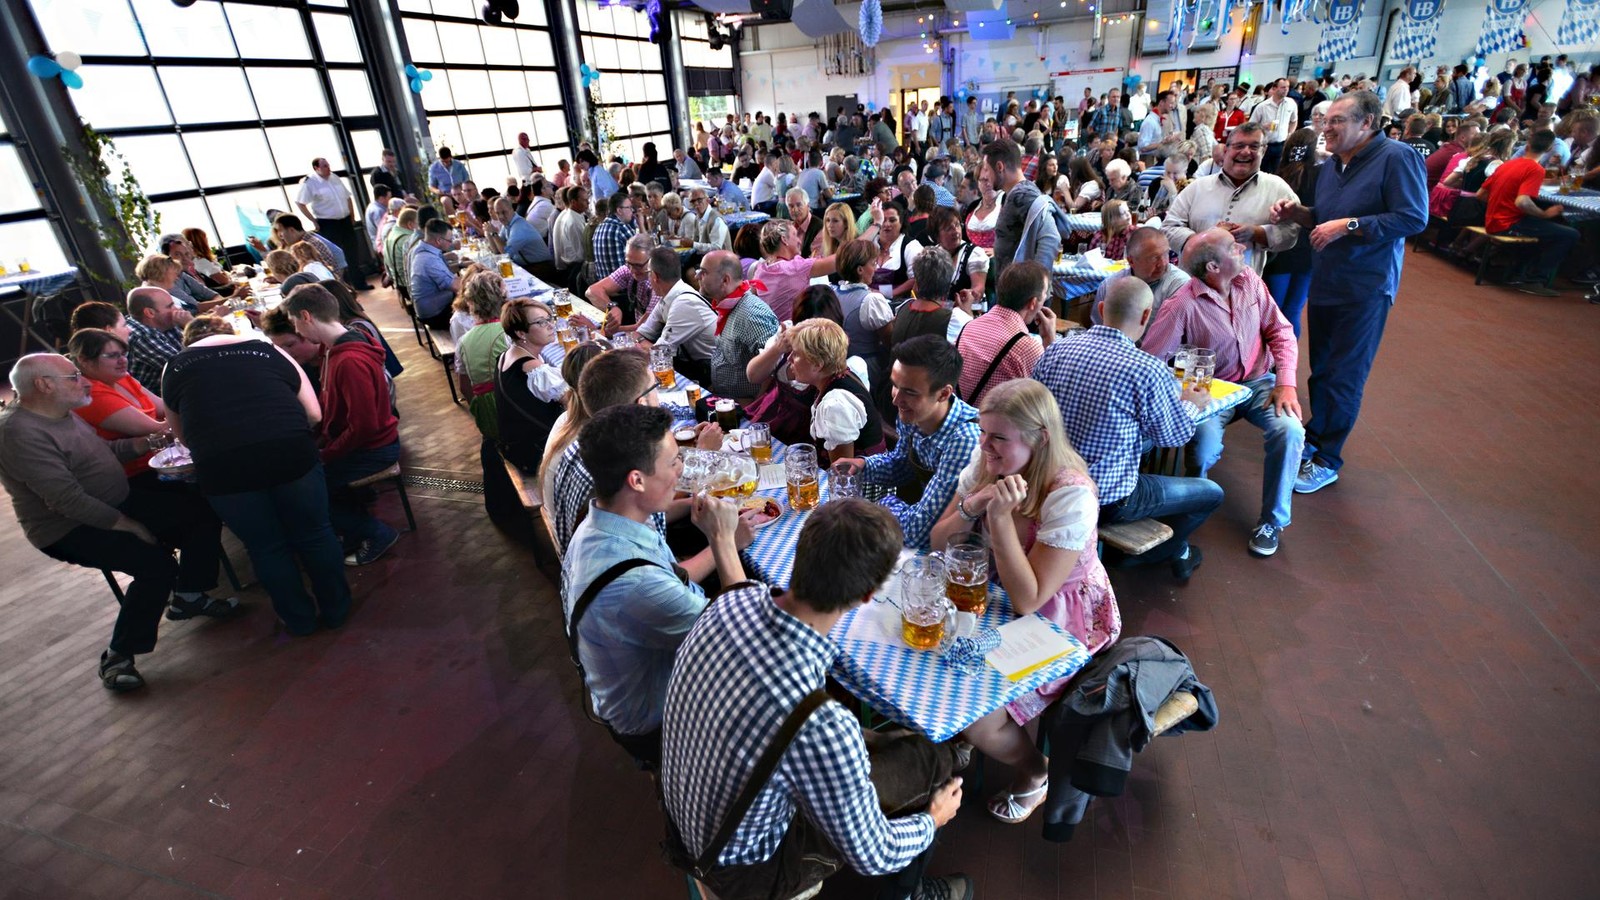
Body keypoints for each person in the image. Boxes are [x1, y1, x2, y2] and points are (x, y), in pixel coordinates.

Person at [660, 498, 970, 900]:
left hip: (682, 820)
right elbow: (873, 853)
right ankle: (909, 892)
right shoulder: (821, 725)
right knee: (932, 761)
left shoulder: (730, 602)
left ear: (800, 555)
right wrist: (933, 818)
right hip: (742, 868)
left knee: (877, 748)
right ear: (866, 597)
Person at [927, 379, 1121, 825]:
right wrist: (975, 504)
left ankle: (1035, 770)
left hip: (1063, 616)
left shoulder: (1071, 494)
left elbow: (1030, 598)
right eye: (982, 433)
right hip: (990, 594)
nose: (985, 447)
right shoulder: (987, 461)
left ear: (1040, 438)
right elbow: (938, 541)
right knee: (928, 660)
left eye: (998, 438)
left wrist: (998, 518)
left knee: (977, 716)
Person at [0, 353, 240, 692]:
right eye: (74, 377)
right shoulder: (19, 433)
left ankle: (189, 594)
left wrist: (147, 442)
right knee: (154, 566)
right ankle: (118, 656)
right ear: (43, 385)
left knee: (201, 512)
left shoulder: (61, 412)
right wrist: (126, 524)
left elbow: (102, 454)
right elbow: (65, 500)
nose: (84, 382)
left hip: (114, 502)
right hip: (67, 528)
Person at [561, 405, 748, 767]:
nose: (682, 471)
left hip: (638, 678)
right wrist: (722, 541)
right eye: (675, 462)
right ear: (637, 480)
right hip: (658, 727)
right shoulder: (636, 585)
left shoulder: (603, 522)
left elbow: (670, 574)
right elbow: (741, 645)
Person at [1268, 90, 1428, 494]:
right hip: (1327, 281)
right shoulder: (1331, 167)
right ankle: (1317, 434)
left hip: (1365, 287)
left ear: (1367, 123)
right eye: (1325, 120)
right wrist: (1298, 214)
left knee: (1345, 374)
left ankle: (1327, 457)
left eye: (1337, 120)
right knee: (1322, 369)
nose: (1327, 127)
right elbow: (1323, 218)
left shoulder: (1397, 158)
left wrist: (1350, 226)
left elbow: (1413, 217)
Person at [160, 317, 351, 636]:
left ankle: (298, 620)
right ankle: (337, 610)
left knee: (266, 547)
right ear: (232, 334)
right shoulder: (268, 350)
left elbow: (183, 437)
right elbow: (314, 414)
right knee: (315, 533)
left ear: (186, 343)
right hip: (288, 451)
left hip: (224, 467)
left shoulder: (174, 367)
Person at [1033, 277, 1219, 578]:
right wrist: (1191, 404)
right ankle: (1162, 552)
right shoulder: (1147, 369)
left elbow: (1034, 412)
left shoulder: (1056, 350)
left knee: (1137, 441)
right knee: (1212, 492)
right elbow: (1173, 436)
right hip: (1108, 500)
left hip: (1048, 483)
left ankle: (1163, 547)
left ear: (1102, 308)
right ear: (1147, 316)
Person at [1142, 228, 1305, 557]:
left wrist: (1286, 381)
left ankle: (1273, 521)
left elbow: (1282, 331)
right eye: (1233, 248)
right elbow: (1151, 359)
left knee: (1290, 430)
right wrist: (1185, 388)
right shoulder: (1182, 304)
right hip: (1210, 390)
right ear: (1213, 268)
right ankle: (1190, 511)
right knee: (1202, 452)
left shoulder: (1251, 281)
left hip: (1260, 381)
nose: (1242, 248)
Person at [282, 285, 402, 566]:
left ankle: (377, 533)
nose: (297, 332)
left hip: (374, 448)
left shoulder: (348, 360)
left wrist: (327, 453)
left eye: (295, 323)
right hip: (366, 444)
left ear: (306, 316)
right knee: (316, 480)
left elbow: (364, 427)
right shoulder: (336, 346)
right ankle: (354, 530)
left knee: (307, 492)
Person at [834, 336, 979, 550]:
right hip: (920, 528)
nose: (895, 399)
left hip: (961, 552)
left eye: (909, 392)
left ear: (943, 394)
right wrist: (863, 466)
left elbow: (915, 533)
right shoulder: (915, 413)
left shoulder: (964, 440)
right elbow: (902, 465)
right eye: (895, 385)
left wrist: (880, 504)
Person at [1161, 122, 1301, 274]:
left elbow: (1292, 231)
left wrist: (1257, 233)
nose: (1246, 152)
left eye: (1254, 146)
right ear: (1226, 150)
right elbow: (1169, 227)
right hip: (1192, 285)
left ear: (1264, 150)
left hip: (1244, 288)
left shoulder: (1277, 188)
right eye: (1239, 146)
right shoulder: (1197, 187)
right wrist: (1203, 240)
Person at [1476, 130, 1578, 297]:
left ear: (1527, 145)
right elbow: (1522, 202)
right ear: (1549, 148)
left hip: (1493, 220)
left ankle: (1519, 272)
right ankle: (1534, 280)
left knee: (1543, 229)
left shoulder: (1508, 164)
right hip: (1509, 223)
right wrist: (1545, 214)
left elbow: (1481, 194)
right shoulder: (1535, 169)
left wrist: (1501, 203)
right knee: (1570, 234)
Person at [67, 328, 170, 482]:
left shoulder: (120, 377)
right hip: (137, 476)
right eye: (113, 356)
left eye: (123, 354)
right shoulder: (91, 393)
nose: (123, 360)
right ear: (84, 360)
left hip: (163, 461)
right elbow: (158, 429)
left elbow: (166, 408)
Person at [954, 261, 1056, 405]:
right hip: (996, 425)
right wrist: (1049, 340)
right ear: (1033, 303)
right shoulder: (1026, 347)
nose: (1046, 297)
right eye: (1045, 293)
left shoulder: (969, 327)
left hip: (963, 419)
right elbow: (1049, 397)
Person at [494, 298, 568, 473]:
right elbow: (574, 404)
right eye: (541, 322)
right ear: (521, 333)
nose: (550, 326)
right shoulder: (532, 368)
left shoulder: (509, 354)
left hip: (517, 446)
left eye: (549, 319)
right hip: (535, 454)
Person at [984, 139, 1060, 287]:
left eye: (987, 169)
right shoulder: (1017, 193)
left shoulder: (1022, 195)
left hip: (1022, 298)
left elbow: (1051, 238)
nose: (985, 175)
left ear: (999, 167)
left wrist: (1037, 290)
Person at [634, 248, 716, 385]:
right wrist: (642, 340)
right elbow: (640, 333)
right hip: (695, 369)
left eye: (648, 274)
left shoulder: (684, 303)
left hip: (714, 377)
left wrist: (641, 342)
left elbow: (659, 354)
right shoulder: (669, 296)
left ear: (654, 276)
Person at [707, 251, 782, 400]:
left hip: (744, 406)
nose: (697, 277)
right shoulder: (729, 305)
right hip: (724, 398)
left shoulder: (752, 315)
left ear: (725, 280)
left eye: (703, 273)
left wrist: (753, 409)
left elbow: (773, 369)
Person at [750, 218, 852, 321]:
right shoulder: (795, 268)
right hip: (796, 331)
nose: (799, 240)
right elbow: (840, 259)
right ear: (784, 240)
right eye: (795, 235)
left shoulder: (761, 269)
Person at [1090, 227, 1191, 328]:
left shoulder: (1179, 286)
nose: (1163, 263)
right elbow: (1097, 330)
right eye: (1154, 258)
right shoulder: (1109, 286)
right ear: (1131, 261)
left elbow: (1171, 338)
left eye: (1166, 254)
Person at [294, 157, 364, 289]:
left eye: (328, 165)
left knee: (352, 251)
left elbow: (347, 197)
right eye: (324, 166)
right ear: (316, 168)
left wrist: (352, 215)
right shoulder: (309, 182)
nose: (328, 168)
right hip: (328, 223)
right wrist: (313, 221)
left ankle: (359, 283)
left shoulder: (334, 177)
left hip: (345, 220)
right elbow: (300, 203)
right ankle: (344, 285)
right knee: (336, 256)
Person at [891, 246, 967, 346]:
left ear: (916, 283)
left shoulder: (902, 309)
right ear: (948, 284)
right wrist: (966, 312)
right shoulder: (955, 319)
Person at [123, 286, 188, 395]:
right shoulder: (142, 336)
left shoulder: (164, 322)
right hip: (159, 402)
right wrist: (190, 325)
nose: (176, 309)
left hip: (177, 389)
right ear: (150, 313)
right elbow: (187, 366)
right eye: (170, 306)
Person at [409, 218, 461, 329]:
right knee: (478, 307)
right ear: (438, 240)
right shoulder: (429, 259)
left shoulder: (422, 249)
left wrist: (461, 265)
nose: (451, 243)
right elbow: (457, 286)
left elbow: (444, 273)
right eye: (449, 240)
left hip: (430, 307)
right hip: (435, 314)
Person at [1250, 80, 1299, 172]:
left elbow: (1294, 121)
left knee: (1278, 172)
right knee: (1262, 171)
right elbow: (1251, 126)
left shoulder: (1291, 103)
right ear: (1274, 88)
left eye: (1287, 87)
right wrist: (1262, 126)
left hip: (1282, 144)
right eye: (1283, 87)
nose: (1286, 90)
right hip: (1265, 144)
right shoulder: (1262, 106)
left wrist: (1290, 134)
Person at [1137, 90, 1184, 164]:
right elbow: (1143, 147)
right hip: (1148, 160)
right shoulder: (1150, 121)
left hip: (1155, 158)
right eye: (1171, 103)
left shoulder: (1157, 120)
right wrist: (1163, 143)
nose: (1172, 106)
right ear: (1161, 102)